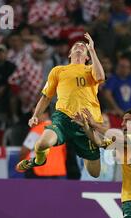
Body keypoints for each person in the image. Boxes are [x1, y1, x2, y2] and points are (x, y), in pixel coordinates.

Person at [15, 33, 106, 178]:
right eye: (76, 46)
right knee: (41, 144)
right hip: (63, 118)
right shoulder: (58, 71)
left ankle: (84, 151)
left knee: (94, 173)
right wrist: (35, 116)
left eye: (83, 47)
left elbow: (101, 77)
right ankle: (39, 160)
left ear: (87, 57)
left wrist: (93, 51)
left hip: (87, 122)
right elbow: (45, 97)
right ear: (69, 54)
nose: (80, 46)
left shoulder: (91, 70)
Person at [19, 109, 67, 179]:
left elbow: (24, 151)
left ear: (46, 114)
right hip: (57, 171)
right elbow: (64, 152)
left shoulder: (37, 129)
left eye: (36, 114)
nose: (34, 117)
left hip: (38, 171)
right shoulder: (60, 129)